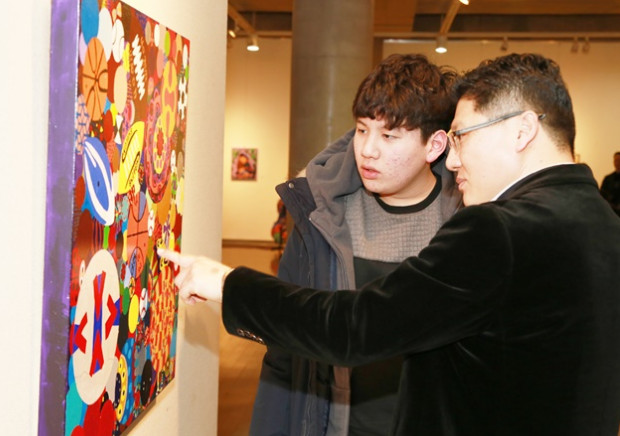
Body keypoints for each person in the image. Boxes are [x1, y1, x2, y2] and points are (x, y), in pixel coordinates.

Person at [160, 53, 620, 435]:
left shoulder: (496, 230)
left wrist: (229, 284)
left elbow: (355, 327)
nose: (452, 159)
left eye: (462, 137)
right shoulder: (604, 222)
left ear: (521, 131)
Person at [254, 53, 461, 436]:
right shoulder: (322, 217)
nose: (367, 149)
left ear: (434, 146)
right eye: (363, 130)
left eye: (389, 136)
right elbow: (283, 350)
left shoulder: (465, 224)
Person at [600, 151, 620, 216]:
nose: (618, 163)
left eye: (619, 160)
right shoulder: (608, 179)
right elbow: (602, 195)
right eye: (616, 160)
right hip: (610, 211)